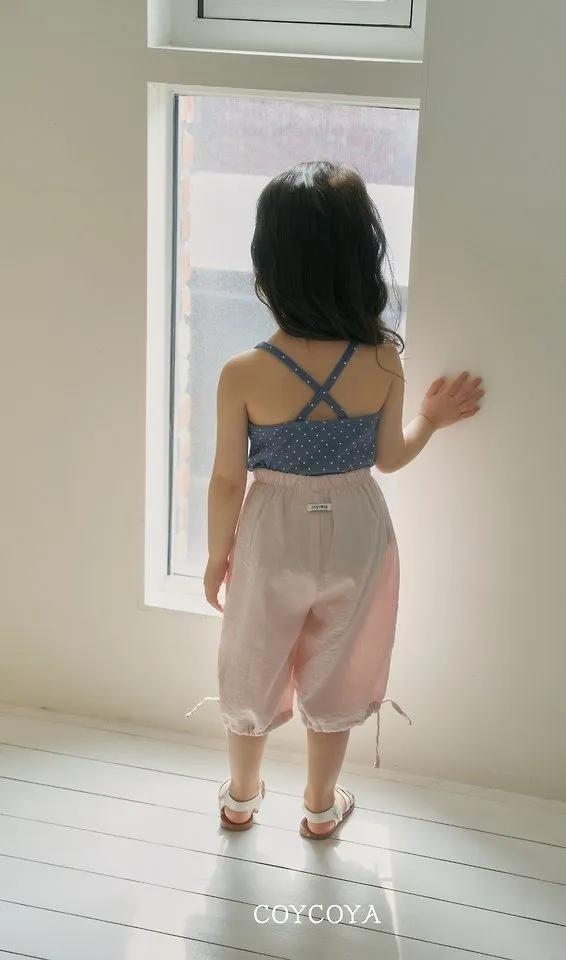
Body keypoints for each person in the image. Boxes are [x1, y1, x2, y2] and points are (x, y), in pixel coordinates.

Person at [201, 160, 483, 839]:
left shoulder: (243, 373)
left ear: (269, 267)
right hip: (356, 529)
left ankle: (241, 798)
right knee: (338, 667)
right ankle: (321, 808)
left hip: (274, 531)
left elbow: (227, 481)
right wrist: (431, 420)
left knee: (255, 659)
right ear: (361, 259)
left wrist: (216, 556)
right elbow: (390, 457)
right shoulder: (382, 361)